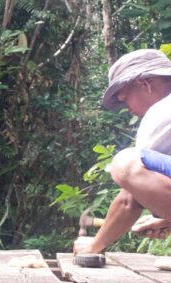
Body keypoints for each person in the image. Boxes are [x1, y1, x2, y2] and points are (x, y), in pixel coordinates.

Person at [73, 49, 171, 267]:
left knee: (126, 163)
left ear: (145, 84)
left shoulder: (162, 111)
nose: (127, 109)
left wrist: (93, 246)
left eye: (125, 99)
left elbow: (129, 199)